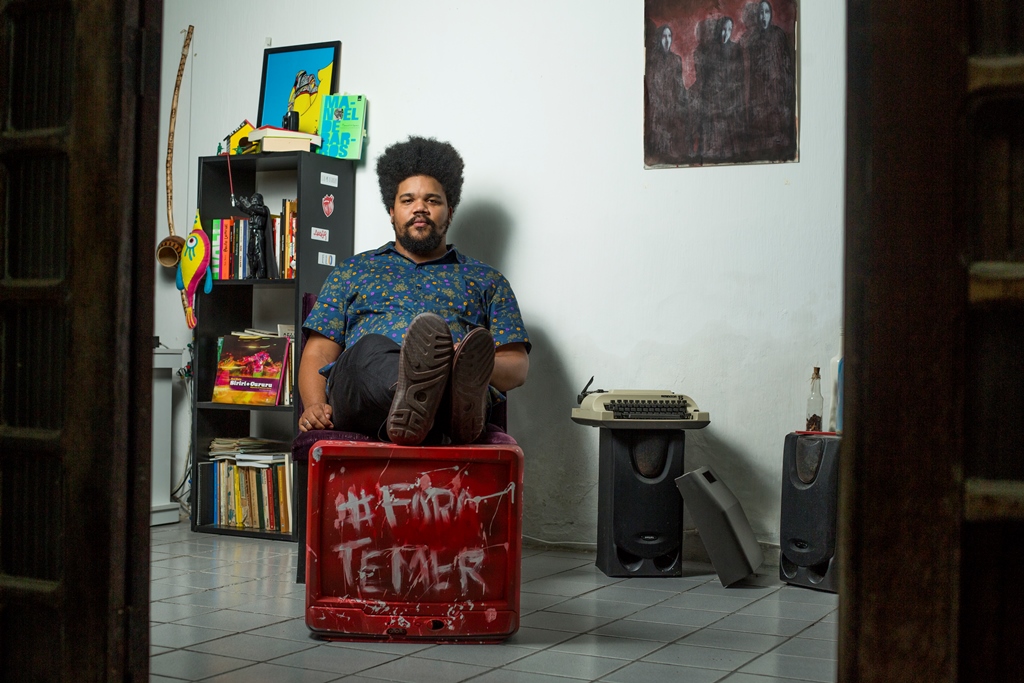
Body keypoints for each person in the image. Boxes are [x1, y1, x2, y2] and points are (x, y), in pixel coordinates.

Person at [297, 136, 531, 446]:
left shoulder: (488, 280)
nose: (420, 208)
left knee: (459, 370)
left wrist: (461, 360)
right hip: (364, 395)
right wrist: (314, 405)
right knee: (369, 349)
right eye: (407, 200)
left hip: (455, 396)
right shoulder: (352, 271)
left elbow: (516, 367)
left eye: (432, 201)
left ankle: (432, 405)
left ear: (450, 211)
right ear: (391, 211)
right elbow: (318, 351)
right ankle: (435, 403)